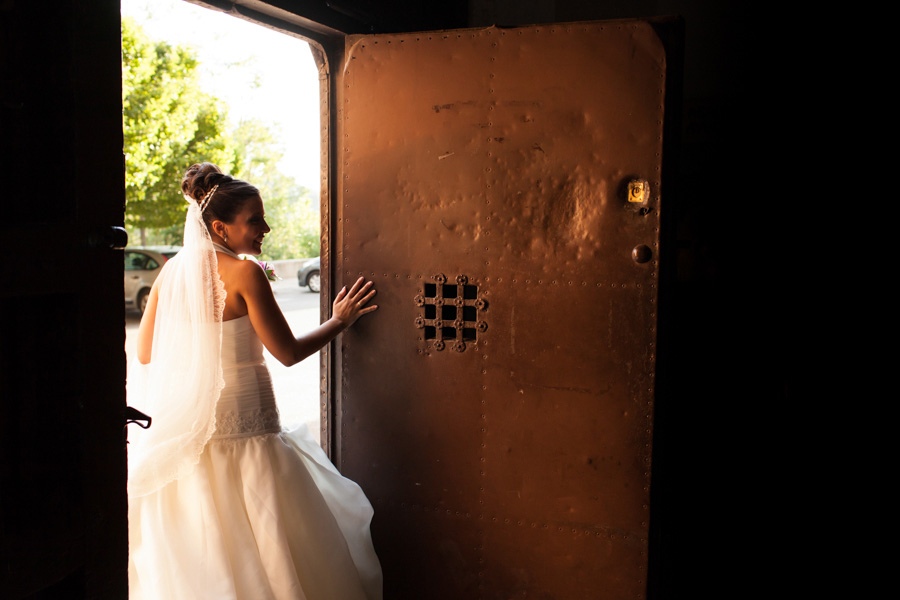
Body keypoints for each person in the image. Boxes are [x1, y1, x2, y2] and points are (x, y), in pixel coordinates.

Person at [126, 162, 382, 599]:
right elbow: (288, 353)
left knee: (212, 536)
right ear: (220, 228)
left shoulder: (170, 272)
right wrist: (339, 320)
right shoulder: (245, 273)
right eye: (255, 220)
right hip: (249, 424)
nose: (265, 228)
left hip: (191, 428)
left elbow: (146, 352)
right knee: (271, 538)